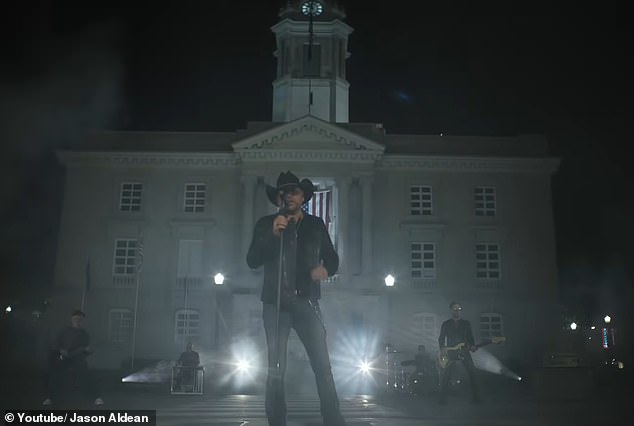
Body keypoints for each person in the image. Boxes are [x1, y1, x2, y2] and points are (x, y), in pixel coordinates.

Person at [247, 171, 346, 426]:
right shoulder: (266, 223)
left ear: (303, 197)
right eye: (284, 191)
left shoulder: (315, 225)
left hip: (307, 303)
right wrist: (273, 235)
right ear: (278, 197)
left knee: (323, 366)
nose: (289, 195)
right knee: (276, 367)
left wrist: (327, 270)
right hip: (275, 304)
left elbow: (332, 257)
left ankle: (334, 420)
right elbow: (252, 260)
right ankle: (276, 421)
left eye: (294, 191)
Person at [42, 309, 103, 406]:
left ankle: (96, 398)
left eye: (79, 319)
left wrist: (87, 351)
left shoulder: (84, 334)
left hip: (78, 359)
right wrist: (61, 350)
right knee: (55, 376)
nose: (77, 321)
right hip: (64, 358)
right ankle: (49, 398)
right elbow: (56, 343)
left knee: (87, 376)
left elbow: (86, 350)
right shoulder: (64, 331)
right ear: (72, 319)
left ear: (82, 320)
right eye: (75, 319)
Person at [438, 301, 481, 405]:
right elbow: (441, 338)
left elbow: (470, 337)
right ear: (451, 310)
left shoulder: (466, 323)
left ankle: (476, 399)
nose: (457, 311)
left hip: (464, 351)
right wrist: (443, 348)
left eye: (459, 309)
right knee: (446, 375)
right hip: (451, 352)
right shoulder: (446, 324)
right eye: (455, 309)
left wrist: (472, 345)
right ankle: (443, 399)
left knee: (473, 373)